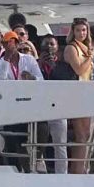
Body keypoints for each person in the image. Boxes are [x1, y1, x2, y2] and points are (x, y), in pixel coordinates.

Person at [0, 31, 43, 172]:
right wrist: (6, 60)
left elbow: (41, 80)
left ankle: (35, 160)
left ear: (15, 43)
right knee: (13, 139)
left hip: (29, 104)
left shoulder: (29, 60)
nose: (7, 45)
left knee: (42, 129)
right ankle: (19, 168)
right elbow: (0, 80)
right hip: (10, 106)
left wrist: (32, 78)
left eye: (9, 42)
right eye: (4, 43)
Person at [63, 17, 94, 174]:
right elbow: (79, 69)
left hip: (86, 93)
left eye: (84, 30)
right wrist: (90, 57)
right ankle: (77, 171)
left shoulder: (86, 47)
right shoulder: (72, 48)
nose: (81, 33)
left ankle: (79, 168)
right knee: (80, 135)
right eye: (78, 30)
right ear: (73, 31)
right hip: (75, 93)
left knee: (85, 135)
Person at [38, 34, 68, 175]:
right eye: (46, 44)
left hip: (59, 108)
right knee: (38, 142)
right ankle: (38, 170)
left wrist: (53, 67)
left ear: (57, 47)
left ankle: (61, 174)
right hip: (40, 108)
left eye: (52, 44)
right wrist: (39, 65)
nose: (49, 47)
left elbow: (66, 81)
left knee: (60, 144)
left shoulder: (64, 65)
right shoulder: (35, 64)